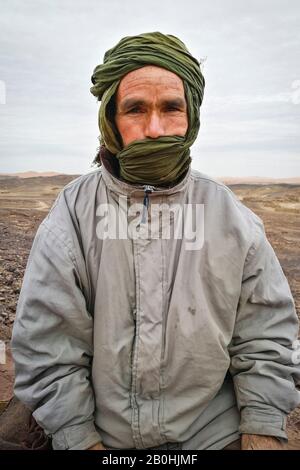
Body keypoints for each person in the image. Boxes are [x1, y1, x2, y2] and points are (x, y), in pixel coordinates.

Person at [11, 32, 300, 451]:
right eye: (135, 110)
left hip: (215, 436)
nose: (154, 129)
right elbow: (48, 344)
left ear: (191, 117)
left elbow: (265, 335)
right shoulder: (73, 213)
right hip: (103, 437)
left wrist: (261, 428)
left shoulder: (231, 217)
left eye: (171, 108)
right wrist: (79, 438)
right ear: (111, 119)